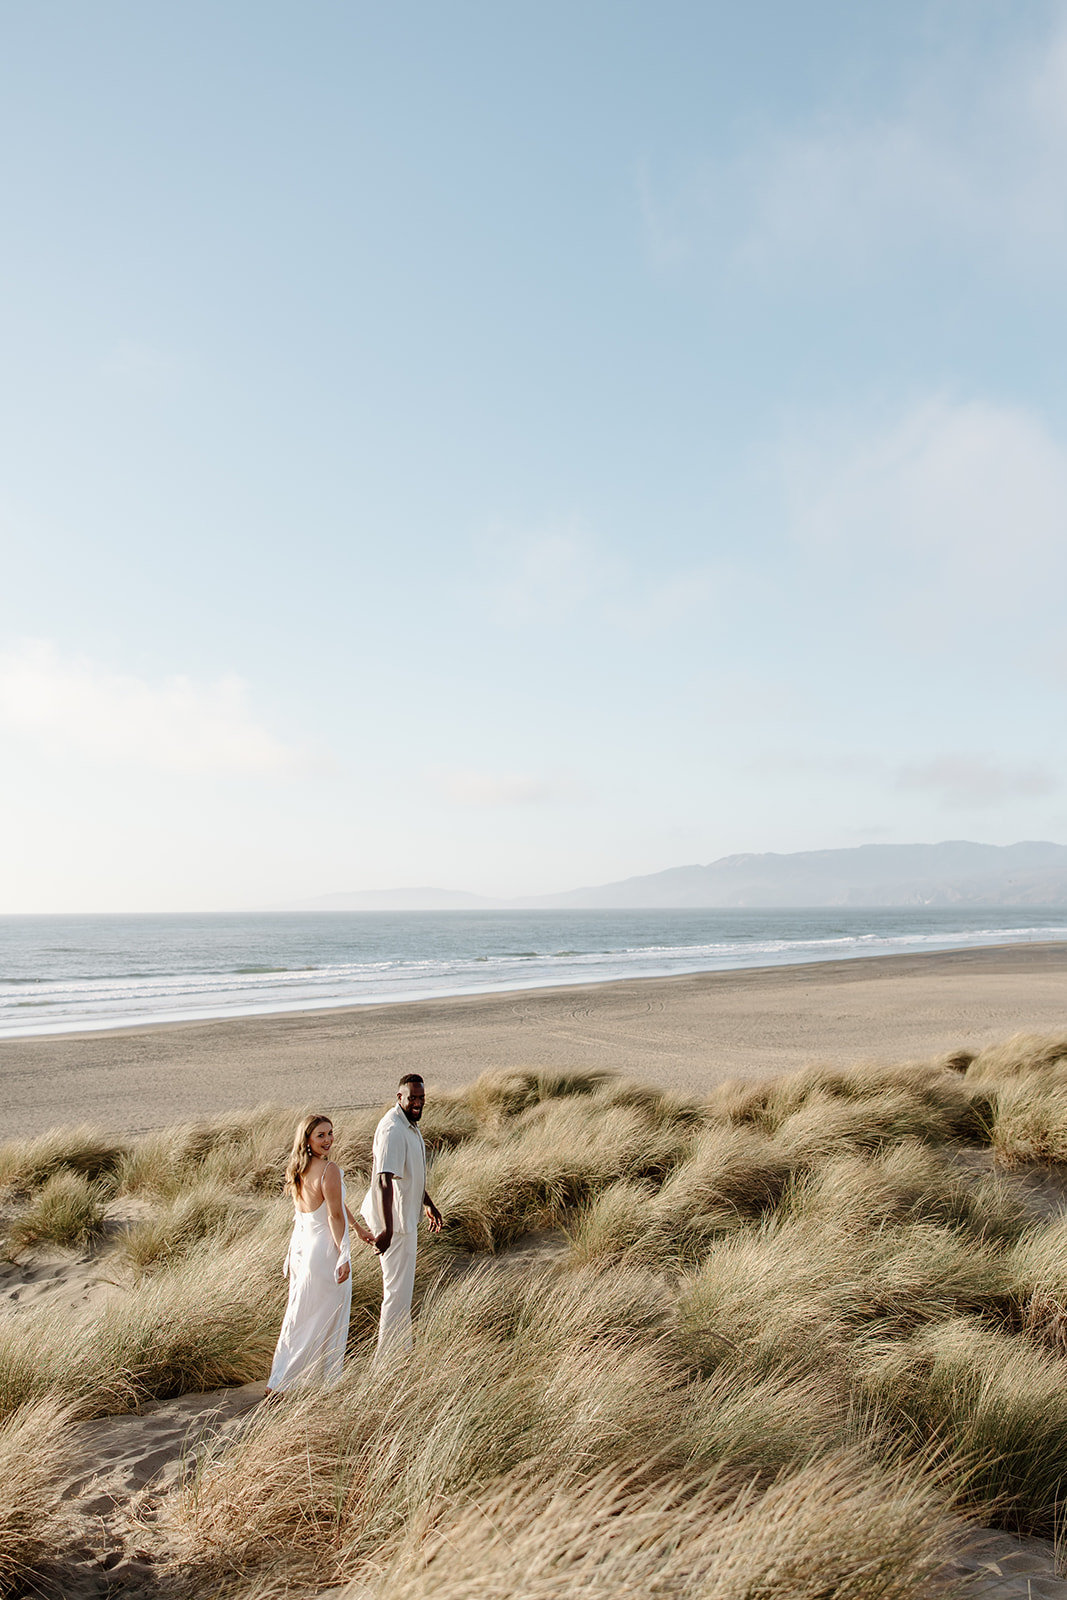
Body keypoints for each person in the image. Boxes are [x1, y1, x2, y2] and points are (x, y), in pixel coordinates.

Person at [266, 1113, 373, 1396]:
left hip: (302, 1249)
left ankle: (278, 1381)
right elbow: (334, 1214)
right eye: (321, 1135)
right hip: (324, 1250)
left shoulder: (298, 1168)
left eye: (330, 1133)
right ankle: (310, 1383)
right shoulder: (329, 1170)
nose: (328, 1140)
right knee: (325, 1320)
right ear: (308, 1140)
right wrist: (343, 1255)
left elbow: (334, 1202)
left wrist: (359, 1229)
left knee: (299, 1316)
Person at [362, 1074, 443, 1357]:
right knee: (396, 1295)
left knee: (402, 1295)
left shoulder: (410, 1123)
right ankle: (386, 1366)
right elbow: (385, 1178)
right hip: (394, 1224)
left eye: (421, 1098)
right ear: (400, 1097)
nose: (418, 1103)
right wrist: (386, 1229)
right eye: (413, 1098)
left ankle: (401, 1355)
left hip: (405, 1220)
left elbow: (410, 1173)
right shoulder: (393, 1129)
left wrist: (427, 1202)